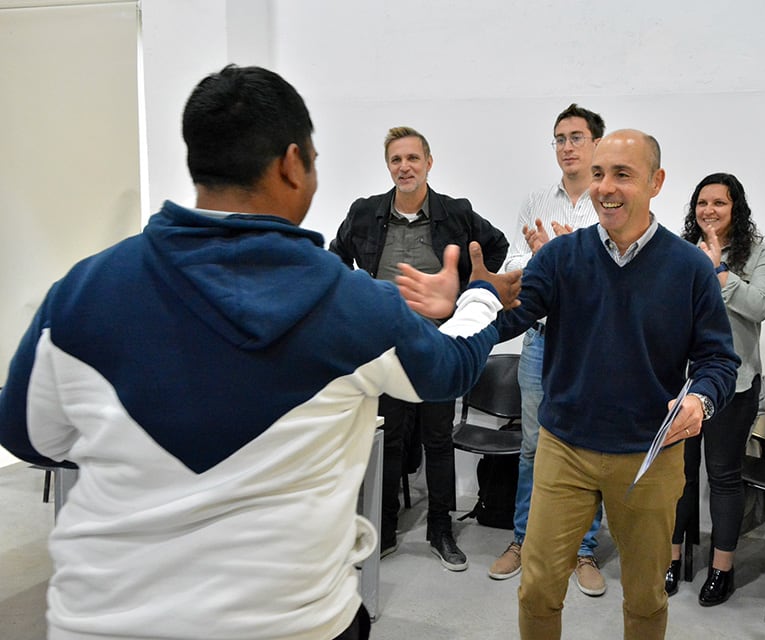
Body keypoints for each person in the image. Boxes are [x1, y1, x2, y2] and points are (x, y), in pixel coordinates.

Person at [0, 65, 518, 640]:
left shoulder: (81, 291)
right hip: (294, 623)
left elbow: (28, 436)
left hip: (101, 622)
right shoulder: (353, 306)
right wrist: (479, 299)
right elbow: (450, 369)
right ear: (292, 164)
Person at [497, 129, 740, 639]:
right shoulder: (561, 257)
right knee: (538, 588)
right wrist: (470, 300)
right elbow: (513, 316)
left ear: (657, 182)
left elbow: (719, 359)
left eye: (622, 175)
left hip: (648, 454)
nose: (605, 187)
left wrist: (700, 400)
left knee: (647, 595)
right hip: (564, 449)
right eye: (599, 174)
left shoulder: (689, 267)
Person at [329, 127, 509, 571]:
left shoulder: (455, 213)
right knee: (387, 439)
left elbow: (497, 247)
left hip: (437, 344)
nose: (404, 167)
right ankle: (385, 528)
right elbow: (337, 258)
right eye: (396, 160)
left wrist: (467, 297)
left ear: (429, 162)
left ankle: (441, 529)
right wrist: (356, 301)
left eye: (412, 158)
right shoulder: (366, 212)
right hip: (383, 346)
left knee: (438, 437)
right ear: (388, 166)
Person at [489, 104, 608, 596]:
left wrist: (563, 257)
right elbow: (516, 266)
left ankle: (583, 551)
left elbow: (614, 272)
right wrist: (545, 257)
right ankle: (523, 539)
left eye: (576, 137)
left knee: (589, 447)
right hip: (540, 338)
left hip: (591, 345)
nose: (567, 147)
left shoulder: (612, 202)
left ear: (597, 144)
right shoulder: (537, 200)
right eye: (559, 138)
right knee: (534, 444)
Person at [667, 173, 765, 606]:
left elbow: (762, 306)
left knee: (724, 477)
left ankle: (721, 568)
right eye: (702, 203)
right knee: (677, 475)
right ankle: (673, 559)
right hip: (682, 381)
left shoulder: (757, 253)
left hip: (735, 382)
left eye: (719, 203)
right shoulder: (679, 250)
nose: (709, 211)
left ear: (736, 209)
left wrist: (720, 273)